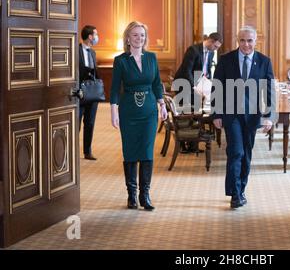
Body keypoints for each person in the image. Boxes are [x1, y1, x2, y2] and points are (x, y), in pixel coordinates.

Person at [212, 26, 274, 209]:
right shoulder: (226, 60)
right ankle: (236, 195)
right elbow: (217, 87)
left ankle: (241, 189)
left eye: (250, 40)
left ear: (256, 41)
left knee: (246, 153)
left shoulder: (264, 61)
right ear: (237, 41)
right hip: (231, 115)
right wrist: (216, 113)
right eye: (242, 40)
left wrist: (269, 116)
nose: (246, 44)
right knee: (236, 151)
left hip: (252, 116)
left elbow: (269, 92)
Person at [110, 21, 167, 211]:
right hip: (128, 111)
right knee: (130, 151)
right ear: (127, 38)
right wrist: (113, 111)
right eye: (135, 35)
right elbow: (115, 88)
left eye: (142, 35)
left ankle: (145, 195)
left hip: (149, 110)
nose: (139, 38)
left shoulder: (152, 57)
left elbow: (157, 83)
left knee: (147, 151)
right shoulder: (121, 60)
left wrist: (162, 105)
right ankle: (131, 195)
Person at [173, 32, 223, 152]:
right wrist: (194, 87)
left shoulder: (210, 53)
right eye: (215, 46)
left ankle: (192, 145)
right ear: (210, 41)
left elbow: (207, 70)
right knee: (185, 114)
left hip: (197, 84)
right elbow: (186, 70)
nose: (216, 49)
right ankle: (182, 145)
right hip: (183, 84)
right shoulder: (193, 50)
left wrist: (209, 83)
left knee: (196, 112)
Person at [79, 25, 100, 160]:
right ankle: (72, 150)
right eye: (96, 34)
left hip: (92, 92)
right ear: (90, 36)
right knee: (76, 122)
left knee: (90, 122)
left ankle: (87, 151)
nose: (97, 37)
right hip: (80, 92)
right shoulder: (76, 50)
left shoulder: (93, 52)